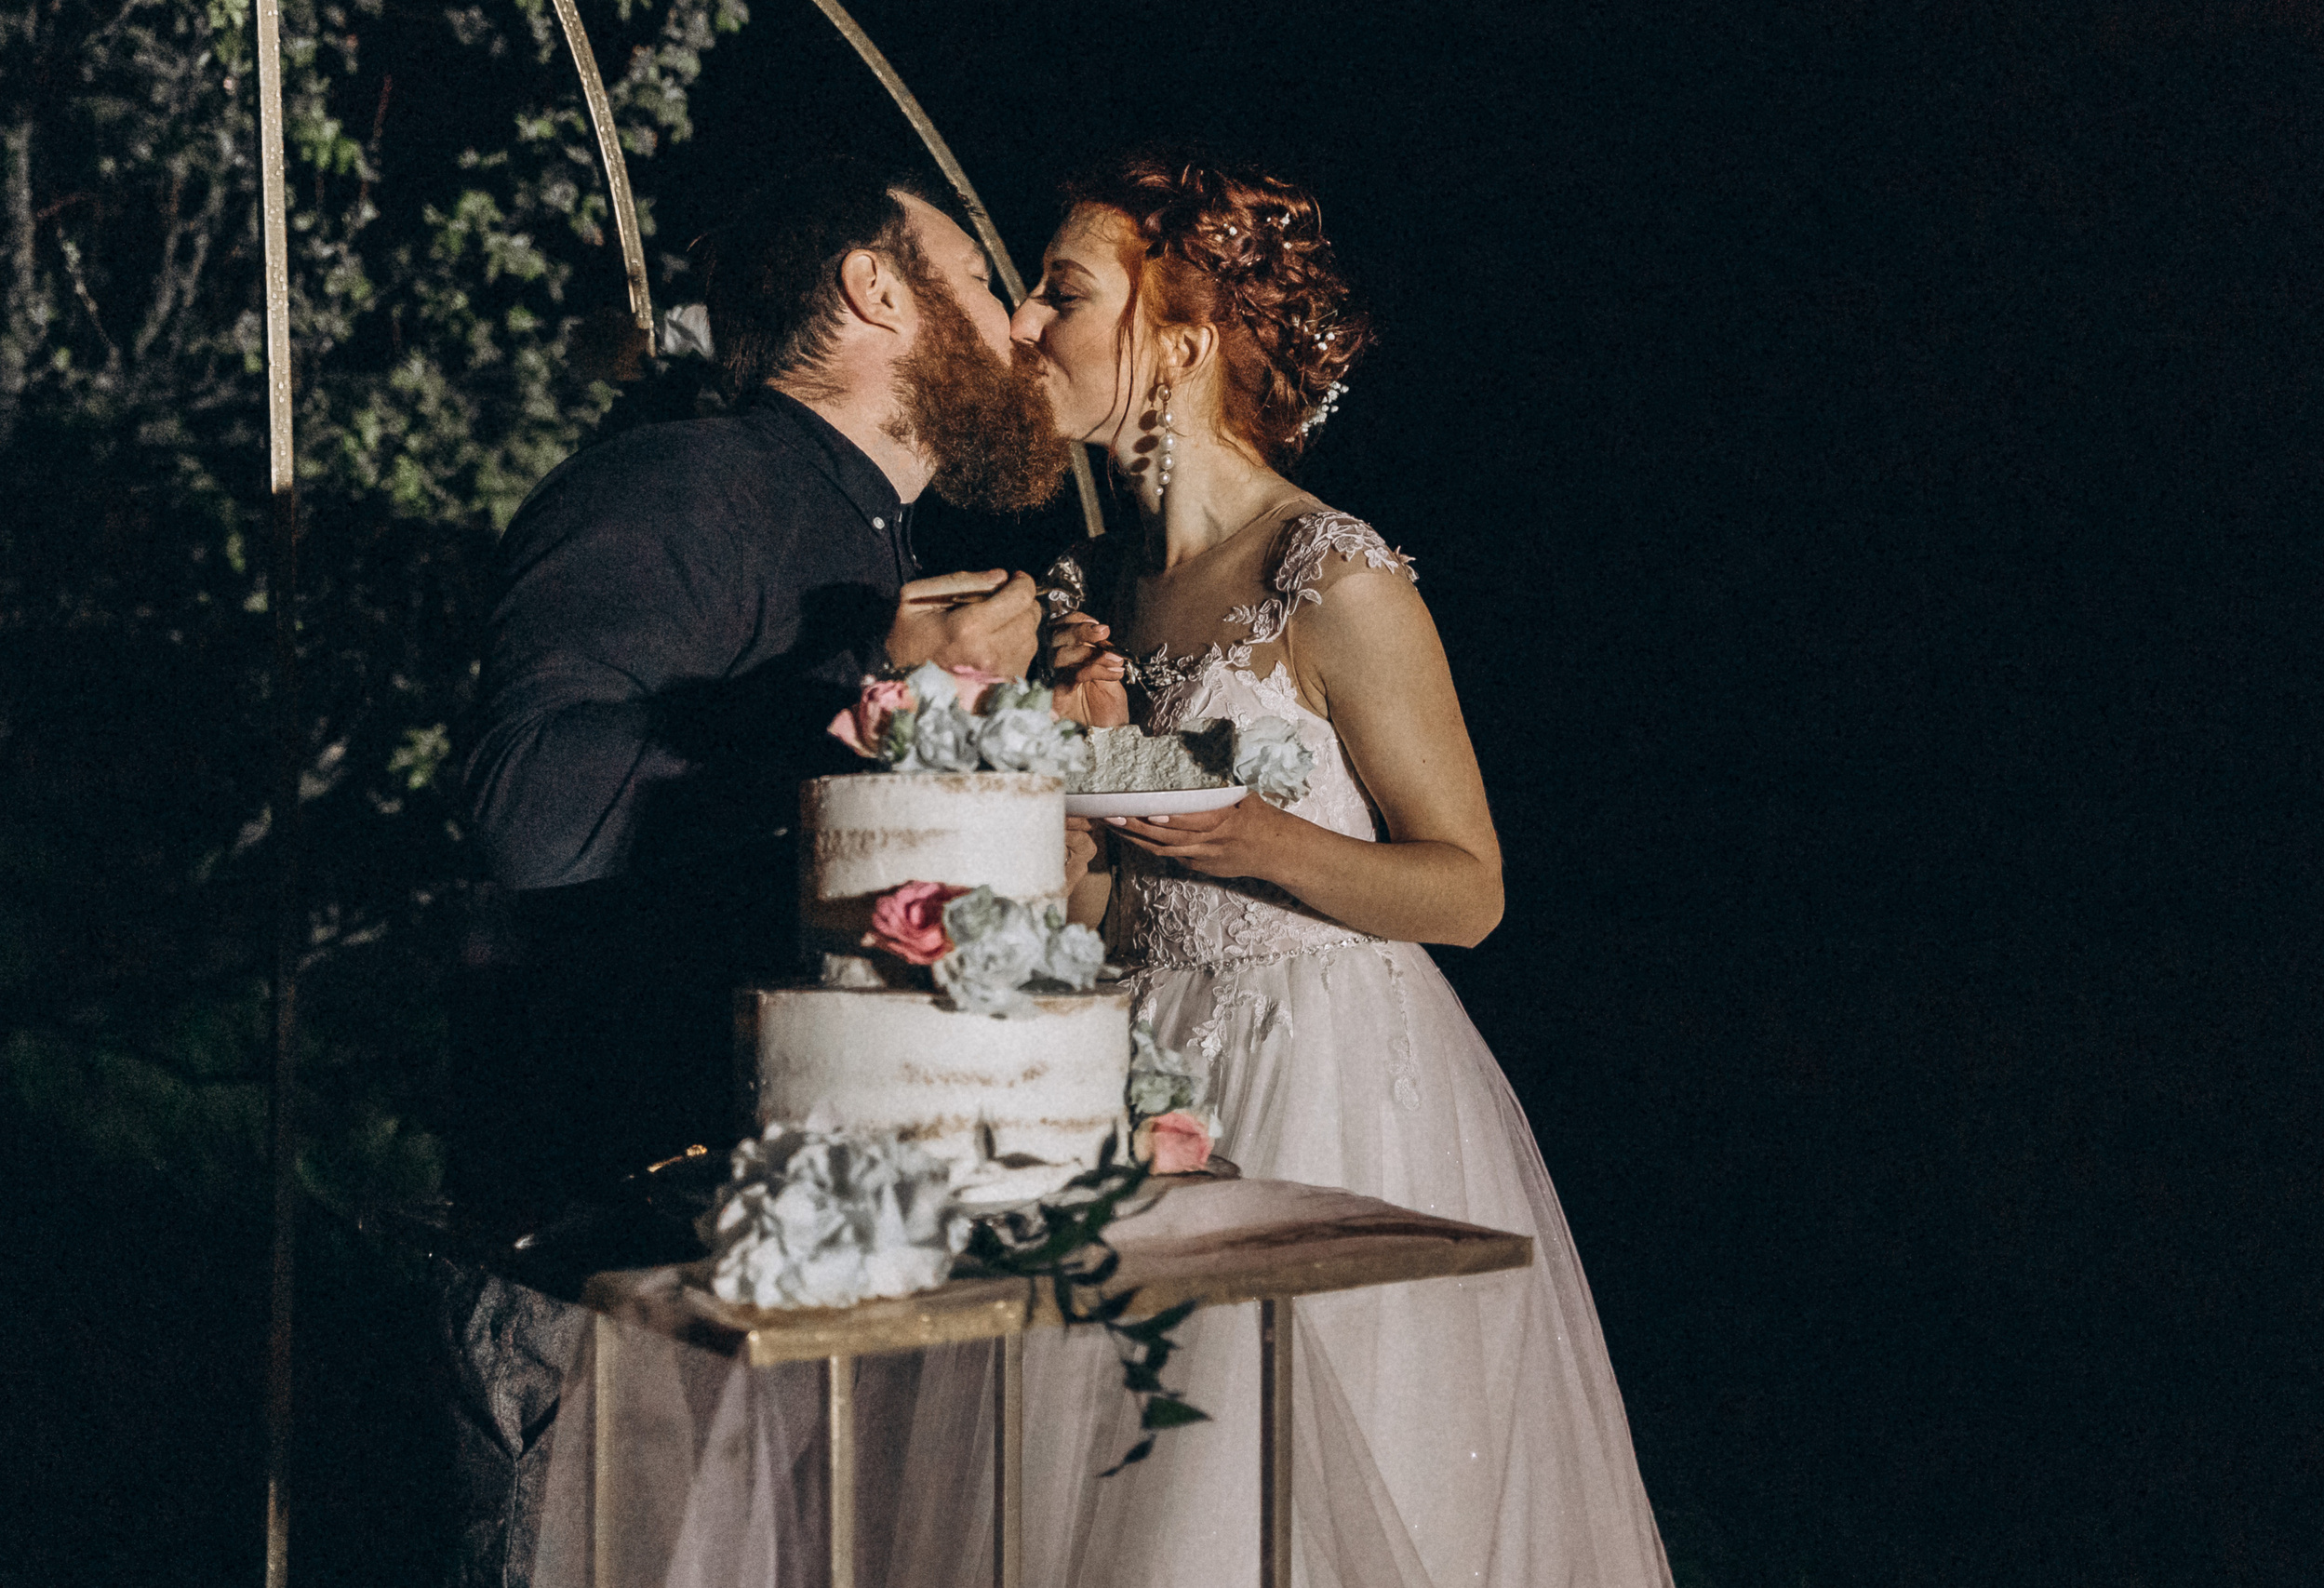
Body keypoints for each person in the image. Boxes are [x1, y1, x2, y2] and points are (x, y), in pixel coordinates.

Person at [1021, 155, 1676, 1587]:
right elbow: (1111, 914)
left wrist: (1262, 839)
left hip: (1332, 1087)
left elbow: (1469, 889)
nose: (1023, 323)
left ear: (1179, 337)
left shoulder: (1329, 570)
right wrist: (1066, 832)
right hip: (1145, 1090)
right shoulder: (1090, 588)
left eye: (1061, 292)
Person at [440, 158, 1071, 1588]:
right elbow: (530, 807)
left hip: (836, 1235)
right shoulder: (682, 480)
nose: (1024, 324)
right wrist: (868, 686)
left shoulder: (880, 546)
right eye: (980, 280)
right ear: (875, 288)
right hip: (618, 1258)